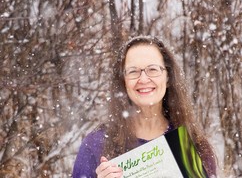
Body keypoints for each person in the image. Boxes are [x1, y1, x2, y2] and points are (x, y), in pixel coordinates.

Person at [72, 35, 217, 178]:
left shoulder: (193, 145)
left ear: (167, 77)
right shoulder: (96, 144)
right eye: (133, 71)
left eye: (152, 69)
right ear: (123, 82)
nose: (143, 79)